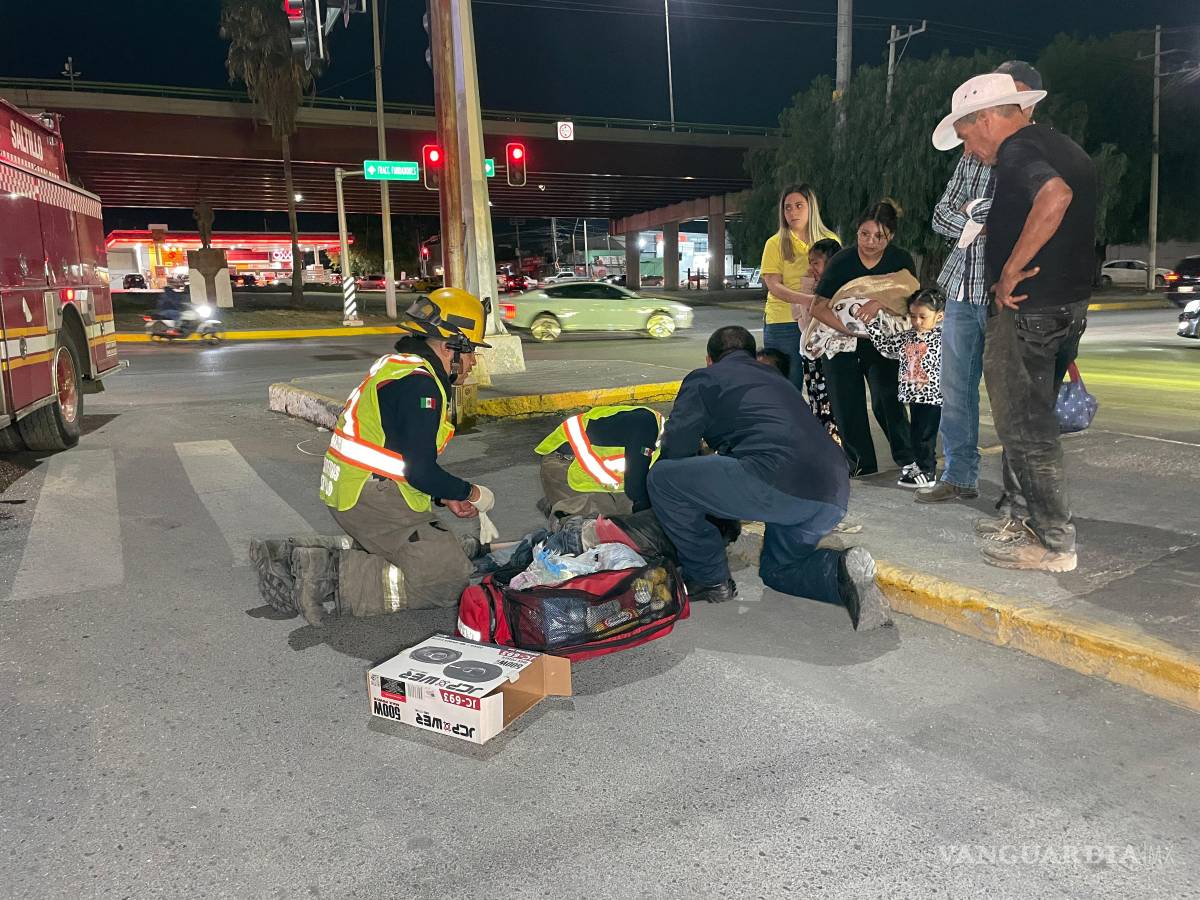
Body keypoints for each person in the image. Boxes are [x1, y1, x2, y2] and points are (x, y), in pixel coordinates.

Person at [250, 288, 496, 625]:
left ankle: (297, 553)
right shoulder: (420, 385)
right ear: (449, 346)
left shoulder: (400, 368)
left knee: (437, 552)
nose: (472, 363)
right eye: (470, 353)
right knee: (448, 581)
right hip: (373, 498)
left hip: (358, 493)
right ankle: (326, 574)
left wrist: (443, 496)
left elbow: (397, 450)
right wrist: (470, 493)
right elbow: (420, 470)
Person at [934, 72, 1095, 572]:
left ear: (985, 119)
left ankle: (1052, 543)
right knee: (1032, 421)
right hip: (1067, 305)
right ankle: (1024, 518)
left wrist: (1007, 270)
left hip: (1031, 311)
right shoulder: (1063, 143)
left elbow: (1056, 197)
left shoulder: (1018, 150)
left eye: (967, 137)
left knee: (1026, 429)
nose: (972, 151)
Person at [646, 326, 891, 631]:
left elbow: (676, 448)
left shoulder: (704, 378)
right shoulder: (777, 380)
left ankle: (709, 580)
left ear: (710, 360)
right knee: (779, 570)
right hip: (832, 492)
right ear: (753, 355)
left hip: (775, 480)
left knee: (663, 479)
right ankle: (840, 571)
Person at [917, 60, 1044, 505]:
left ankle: (1020, 493)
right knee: (955, 390)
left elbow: (1025, 214)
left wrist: (978, 216)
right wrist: (977, 218)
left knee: (1011, 399)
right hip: (960, 286)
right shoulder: (970, 155)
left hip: (1005, 293)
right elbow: (940, 215)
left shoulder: (1036, 153)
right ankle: (959, 475)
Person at [813, 200, 919, 480]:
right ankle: (862, 466)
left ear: (891, 236)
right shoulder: (842, 262)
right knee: (847, 406)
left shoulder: (900, 260)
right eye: (864, 234)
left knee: (888, 400)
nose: (870, 242)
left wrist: (880, 304)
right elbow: (818, 307)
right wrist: (848, 330)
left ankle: (909, 458)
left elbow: (909, 302)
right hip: (840, 342)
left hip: (882, 340)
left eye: (879, 237)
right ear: (856, 231)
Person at [758, 184, 840, 393]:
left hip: (822, 322)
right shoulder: (775, 243)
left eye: (798, 206)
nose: (792, 212)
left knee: (824, 389)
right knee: (785, 387)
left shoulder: (830, 240)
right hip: (783, 323)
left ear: (811, 207)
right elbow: (773, 285)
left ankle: (821, 427)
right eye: (787, 208)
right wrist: (806, 301)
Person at [862, 288, 946, 488]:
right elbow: (886, 347)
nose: (917, 321)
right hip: (914, 396)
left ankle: (927, 472)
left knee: (925, 436)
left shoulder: (944, 338)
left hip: (933, 396)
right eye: (913, 316)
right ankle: (921, 468)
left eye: (923, 317)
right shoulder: (907, 337)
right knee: (916, 434)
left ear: (939, 316)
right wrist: (872, 325)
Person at [534, 405, 664, 519]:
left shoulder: (659, 436)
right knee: (606, 529)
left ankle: (557, 500)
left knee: (631, 511)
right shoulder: (646, 425)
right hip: (565, 464)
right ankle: (563, 513)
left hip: (579, 466)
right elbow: (636, 488)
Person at [795, 238, 843, 445]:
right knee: (817, 404)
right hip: (810, 356)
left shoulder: (838, 290)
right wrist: (806, 286)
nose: (811, 267)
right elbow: (802, 322)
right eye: (810, 262)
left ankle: (836, 450)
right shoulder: (813, 287)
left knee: (831, 407)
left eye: (816, 262)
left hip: (828, 356)